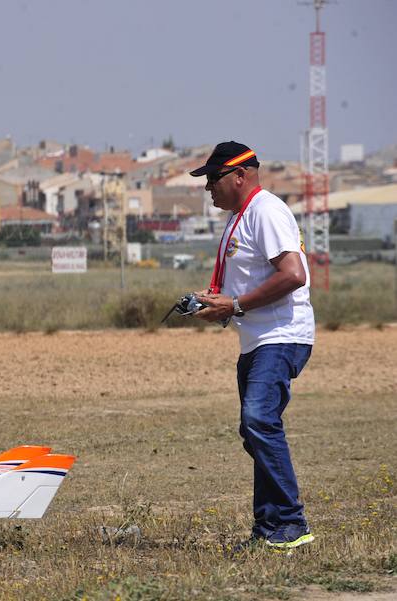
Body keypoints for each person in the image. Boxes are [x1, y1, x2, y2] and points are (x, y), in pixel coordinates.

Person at [189, 141, 316, 550]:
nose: (208, 186)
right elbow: (245, 284)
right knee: (254, 429)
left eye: (213, 178)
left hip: (281, 336)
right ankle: (269, 528)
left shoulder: (266, 211)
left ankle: (291, 525)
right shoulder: (238, 219)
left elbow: (293, 274)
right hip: (256, 339)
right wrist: (219, 305)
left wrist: (237, 303)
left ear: (239, 176)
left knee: (260, 421)